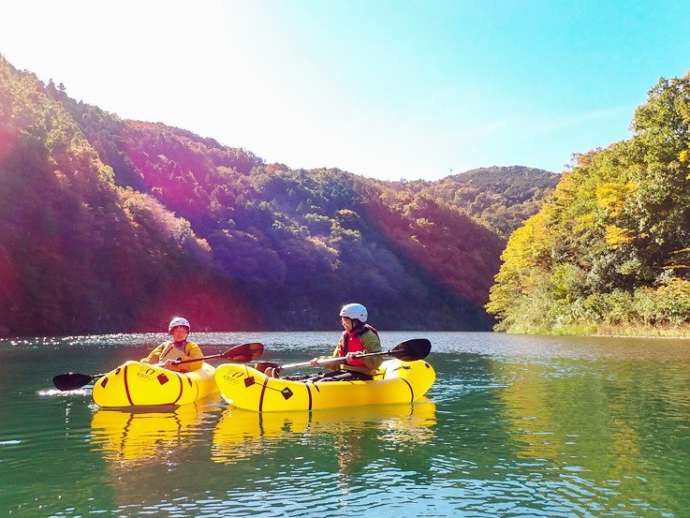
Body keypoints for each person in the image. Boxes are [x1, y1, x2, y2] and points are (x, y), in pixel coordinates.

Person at [267, 303, 383, 381]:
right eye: (343, 321)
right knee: (315, 377)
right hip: (345, 371)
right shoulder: (345, 336)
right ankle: (283, 381)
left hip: (362, 375)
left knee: (325, 381)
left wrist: (361, 357)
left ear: (357, 321)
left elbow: (376, 362)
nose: (343, 324)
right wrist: (321, 361)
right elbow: (336, 361)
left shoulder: (368, 336)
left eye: (346, 321)